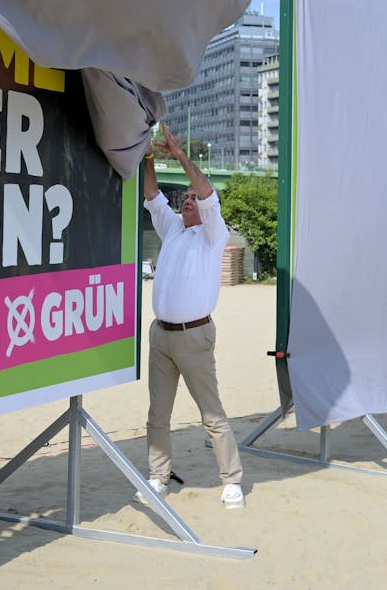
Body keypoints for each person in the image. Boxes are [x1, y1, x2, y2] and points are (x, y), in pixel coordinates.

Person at [140, 123, 245, 508]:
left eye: (191, 200)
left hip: (194, 336)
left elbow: (206, 192)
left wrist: (180, 155)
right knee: (158, 413)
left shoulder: (212, 236)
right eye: (183, 198)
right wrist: (150, 155)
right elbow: (152, 194)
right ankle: (158, 475)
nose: (187, 201)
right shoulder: (171, 231)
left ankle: (231, 479)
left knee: (211, 413)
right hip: (161, 335)